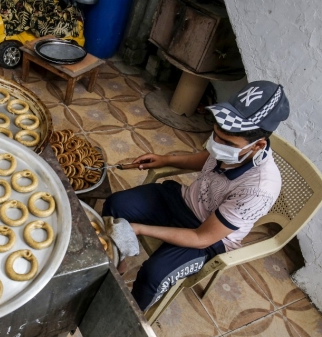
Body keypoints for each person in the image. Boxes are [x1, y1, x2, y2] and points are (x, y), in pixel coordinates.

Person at [102, 80, 290, 311]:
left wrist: (139, 228)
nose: (217, 144)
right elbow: (208, 157)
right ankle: (117, 263)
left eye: (226, 142)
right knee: (116, 204)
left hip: (208, 234)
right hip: (185, 201)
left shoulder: (259, 189)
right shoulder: (234, 150)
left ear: (258, 145)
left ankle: (128, 315)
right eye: (216, 135)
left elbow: (202, 237)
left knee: (154, 275)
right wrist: (166, 159)